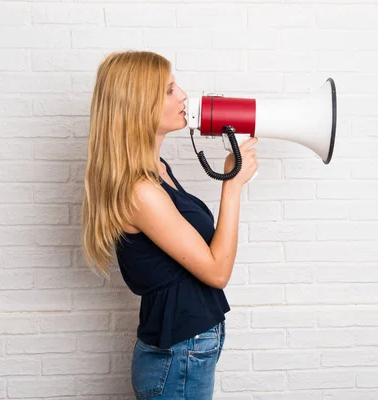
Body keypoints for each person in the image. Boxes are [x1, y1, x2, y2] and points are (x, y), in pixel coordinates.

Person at [81, 50, 258, 399]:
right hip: (178, 354)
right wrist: (232, 185)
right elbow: (216, 271)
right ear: (138, 105)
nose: (183, 97)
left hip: (186, 350)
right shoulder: (140, 191)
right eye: (169, 90)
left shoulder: (158, 170)